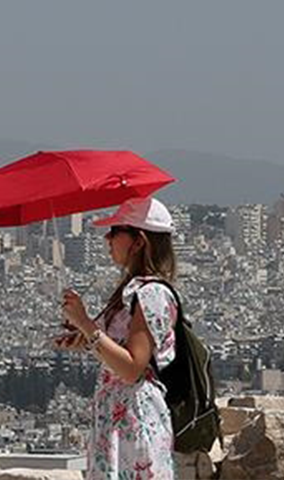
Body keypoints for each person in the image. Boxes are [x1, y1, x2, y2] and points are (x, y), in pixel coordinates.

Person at [57, 196, 179, 480]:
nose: (107, 238)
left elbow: (132, 368)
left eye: (116, 231)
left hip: (134, 419)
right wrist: (82, 336)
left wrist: (87, 325)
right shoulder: (131, 292)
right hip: (117, 418)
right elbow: (116, 353)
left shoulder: (151, 294)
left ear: (139, 241)